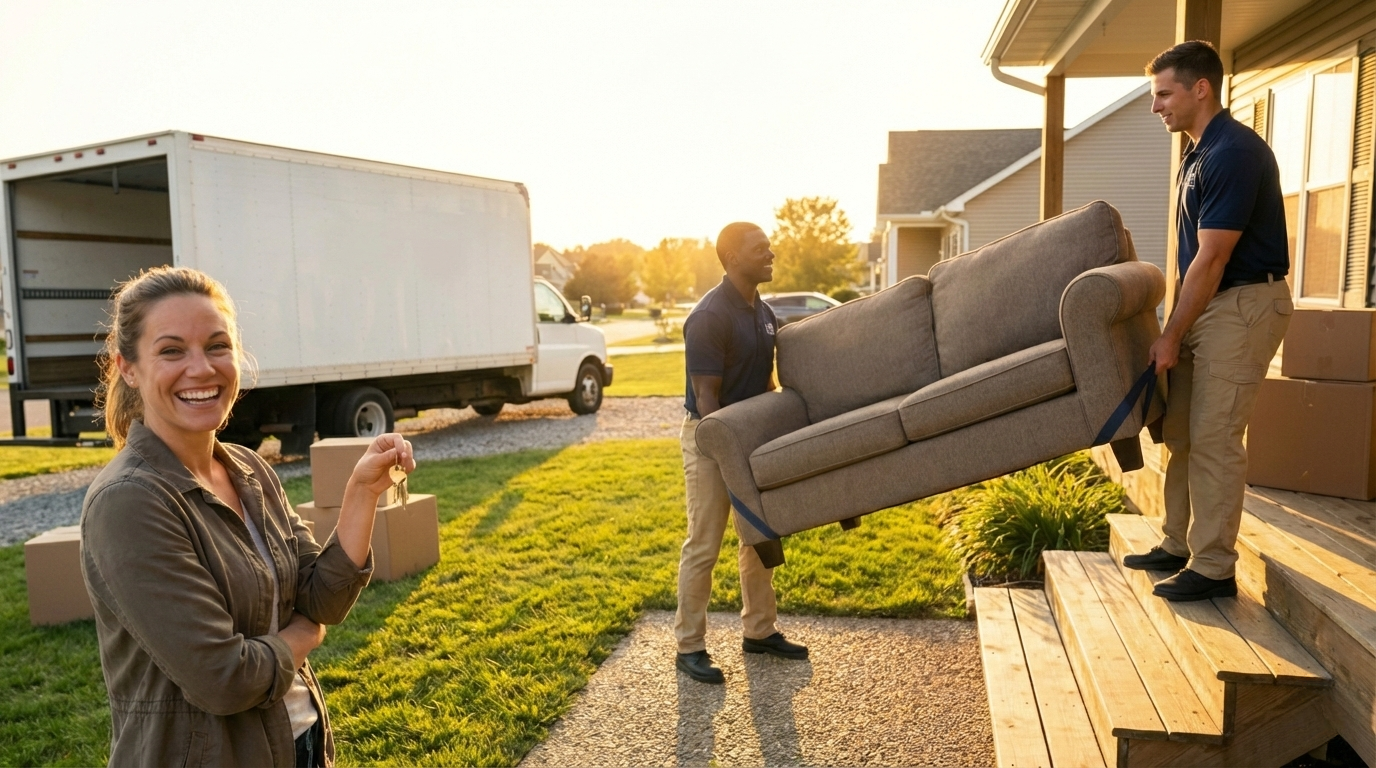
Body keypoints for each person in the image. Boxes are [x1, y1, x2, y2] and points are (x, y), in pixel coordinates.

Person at [80, 266, 414, 767]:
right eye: (172, 350)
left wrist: (361, 493)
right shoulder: (130, 501)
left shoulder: (247, 468)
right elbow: (225, 679)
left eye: (217, 346)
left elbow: (321, 597)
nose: (202, 369)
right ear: (128, 367)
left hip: (297, 741)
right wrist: (305, 634)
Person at [1120, 41, 1292, 601]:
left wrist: (1170, 335)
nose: (1155, 107)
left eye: (1163, 94)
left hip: (1243, 306)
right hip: (1208, 304)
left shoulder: (1233, 153)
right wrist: (1173, 324)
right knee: (1182, 432)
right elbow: (1194, 260)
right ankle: (1178, 542)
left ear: (1201, 89)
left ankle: (1214, 567)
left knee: (1216, 436)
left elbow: (1213, 257)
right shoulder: (1197, 154)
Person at [674, 221, 809, 685]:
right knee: (704, 543)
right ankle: (689, 646)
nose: (770, 253)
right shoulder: (710, 317)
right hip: (711, 439)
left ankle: (759, 631)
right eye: (760, 249)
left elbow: (766, 383)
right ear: (732, 259)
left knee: (758, 535)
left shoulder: (765, 312)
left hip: (749, 435)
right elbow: (707, 399)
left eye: (769, 246)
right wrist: (732, 462)